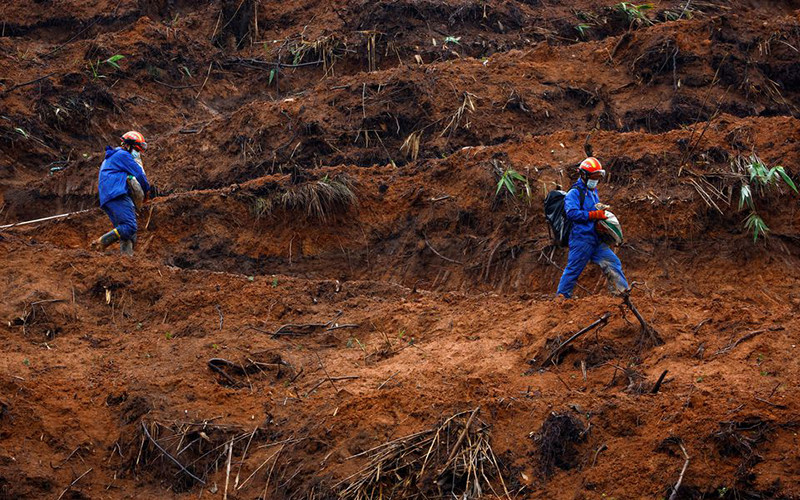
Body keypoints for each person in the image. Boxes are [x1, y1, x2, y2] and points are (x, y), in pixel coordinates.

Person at [556, 157, 629, 298]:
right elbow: (571, 213)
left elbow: (593, 210)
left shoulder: (593, 191)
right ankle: (561, 298)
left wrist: (600, 218)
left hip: (595, 239)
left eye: (598, 176)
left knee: (613, 262)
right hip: (581, 239)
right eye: (593, 176)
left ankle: (622, 295)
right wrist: (594, 215)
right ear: (583, 175)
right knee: (573, 270)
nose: (596, 180)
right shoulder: (574, 193)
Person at [90, 131, 151, 256]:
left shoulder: (113, 156)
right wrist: (147, 191)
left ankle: (126, 260)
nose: (137, 154)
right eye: (136, 150)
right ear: (128, 146)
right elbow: (139, 174)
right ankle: (101, 242)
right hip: (117, 195)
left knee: (127, 232)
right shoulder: (123, 155)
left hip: (108, 197)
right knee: (129, 226)